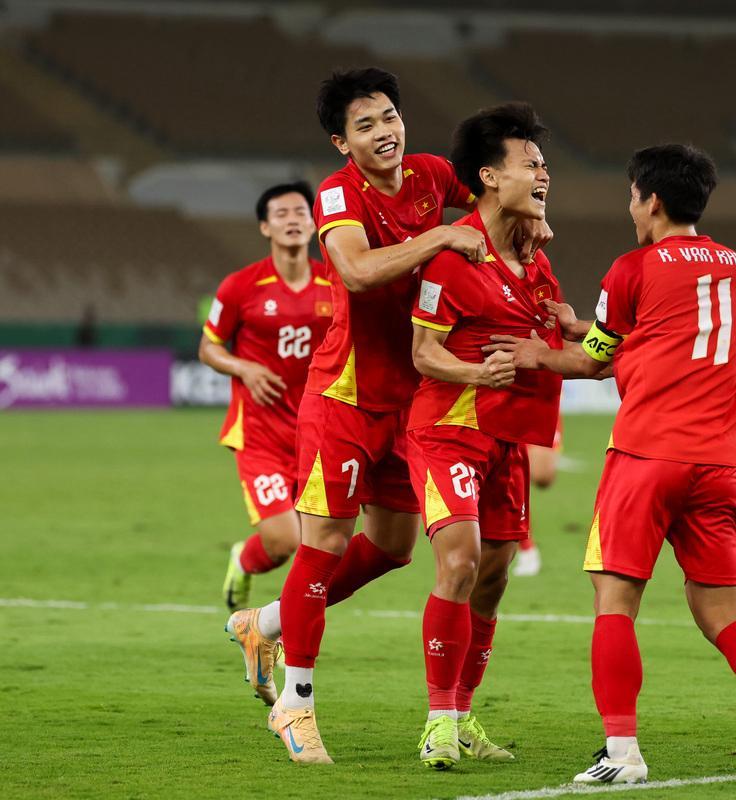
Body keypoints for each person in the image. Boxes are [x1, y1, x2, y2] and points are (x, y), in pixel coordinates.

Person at [225, 68, 548, 765]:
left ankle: (268, 621)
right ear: (342, 143)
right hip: (344, 396)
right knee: (324, 545)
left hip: (411, 399)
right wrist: (440, 239)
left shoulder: (431, 174)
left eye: (390, 117)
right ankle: (296, 702)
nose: (384, 132)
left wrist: (534, 218)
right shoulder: (338, 193)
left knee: (394, 548)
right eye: (365, 125)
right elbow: (357, 272)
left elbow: (494, 190)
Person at [488, 144, 736, 786]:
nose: (631, 208)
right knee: (723, 615)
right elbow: (659, 334)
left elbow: (595, 360)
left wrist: (537, 352)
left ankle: (622, 753)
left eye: (633, 196)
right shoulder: (735, 266)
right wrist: (576, 325)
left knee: (614, 602)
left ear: (654, 201)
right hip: (718, 462)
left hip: (647, 454)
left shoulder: (631, 268)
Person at [407, 102, 562, 770]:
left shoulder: (534, 261)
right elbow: (422, 353)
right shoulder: (452, 256)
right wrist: (476, 371)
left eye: (544, 163)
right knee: (461, 561)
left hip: (508, 439)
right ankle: (437, 722)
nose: (543, 173)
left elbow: (554, 338)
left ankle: (465, 714)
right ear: (489, 177)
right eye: (530, 163)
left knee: (494, 576)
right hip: (448, 428)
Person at [200, 182, 332, 615]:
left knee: (322, 544)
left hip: (317, 432)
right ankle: (243, 561)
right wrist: (245, 368)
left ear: (314, 223)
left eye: (300, 212)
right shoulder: (240, 286)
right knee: (283, 540)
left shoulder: (335, 282)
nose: (292, 220)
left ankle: (285, 625)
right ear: (264, 227)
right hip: (260, 435)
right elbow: (209, 348)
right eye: (281, 214)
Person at [512, 418, 564, 577]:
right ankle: (527, 549)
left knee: (543, 477)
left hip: (537, 408)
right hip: (499, 410)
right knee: (510, 476)